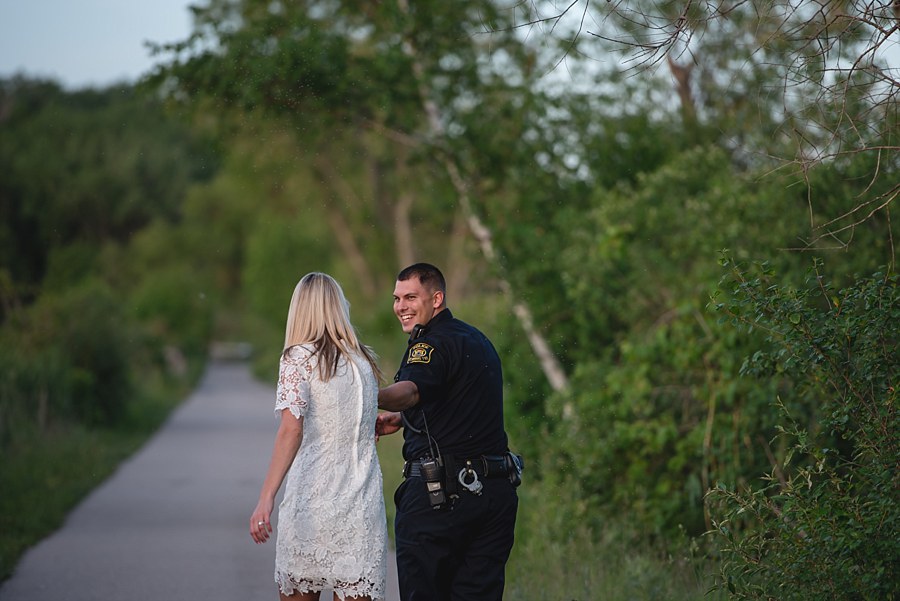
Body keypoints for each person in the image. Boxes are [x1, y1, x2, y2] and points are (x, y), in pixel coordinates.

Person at [376, 263, 520, 601]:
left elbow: (411, 390)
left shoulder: (429, 344)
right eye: (397, 298)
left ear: (436, 298)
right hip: (494, 494)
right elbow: (458, 402)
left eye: (411, 297)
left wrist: (361, 395)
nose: (401, 306)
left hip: (441, 501)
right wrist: (402, 418)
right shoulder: (475, 338)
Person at [250, 272, 387, 601]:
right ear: (338, 307)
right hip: (360, 507)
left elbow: (291, 429)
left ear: (300, 309)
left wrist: (266, 497)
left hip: (311, 504)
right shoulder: (362, 362)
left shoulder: (297, 358)